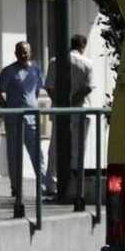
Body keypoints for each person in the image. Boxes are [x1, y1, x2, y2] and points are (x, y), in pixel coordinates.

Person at [0, 41, 51, 197]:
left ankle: (43, 185)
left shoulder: (36, 70)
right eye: (20, 52)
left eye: (26, 51)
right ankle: (16, 187)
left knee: (37, 154)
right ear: (15, 53)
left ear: (31, 52)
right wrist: (8, 109)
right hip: (14, 119)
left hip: (32, 118)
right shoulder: (8, 71)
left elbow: (36, 91)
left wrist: (31, 104)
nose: (23, 54)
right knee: (14, 155)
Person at [45, 34, 96, 199]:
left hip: (59, 112)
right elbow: (88, 87)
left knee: (55, 147)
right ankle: (74, 185)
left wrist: (60, 102)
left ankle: (51, 184)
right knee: (78, 149)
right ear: (83, 46)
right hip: (80, 110)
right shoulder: (87, 63)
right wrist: (72, 101)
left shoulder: (54, 62)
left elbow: (49, 87)